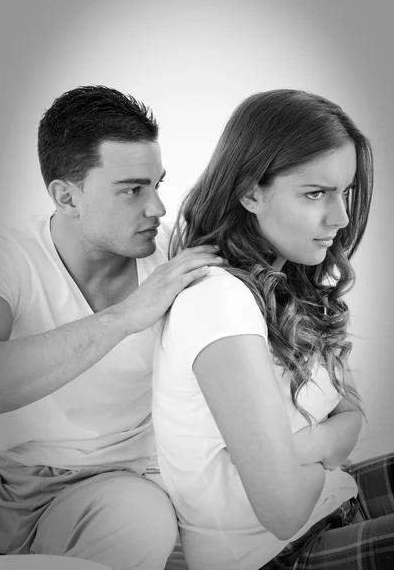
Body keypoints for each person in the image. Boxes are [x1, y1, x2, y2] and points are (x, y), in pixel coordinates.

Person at [152, 89, 394, 569]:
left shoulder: (287, 286)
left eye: (343, 192)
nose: (341, 218)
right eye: (314, 193)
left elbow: (352, 420)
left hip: (331, 507)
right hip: (272, 556)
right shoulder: (218, 301)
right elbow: (283, 510)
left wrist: (305, 448)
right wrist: (325, 444)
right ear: (249, 192)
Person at [0, 85, 224, 569]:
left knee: (141, 523)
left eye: (157, 184)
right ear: (66, 196)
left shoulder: (174, 256)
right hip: (13, 488)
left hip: (126, 483)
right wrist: (125, 317)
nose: (158, 208)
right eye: (132, 189)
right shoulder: (9, 257)